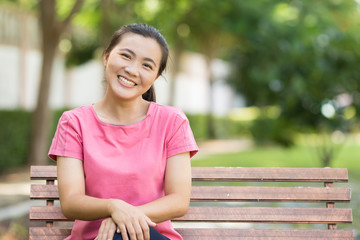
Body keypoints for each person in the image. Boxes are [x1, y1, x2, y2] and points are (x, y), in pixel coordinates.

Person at [48, 23, 198, 240]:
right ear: (106, 57)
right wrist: (113, 206)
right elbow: (71, 202)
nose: (132, 70)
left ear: (155, 77)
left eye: (147, 66)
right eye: (126, 56)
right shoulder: (73, 122)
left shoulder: (172, 121)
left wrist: (124, 218)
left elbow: (178, 200)